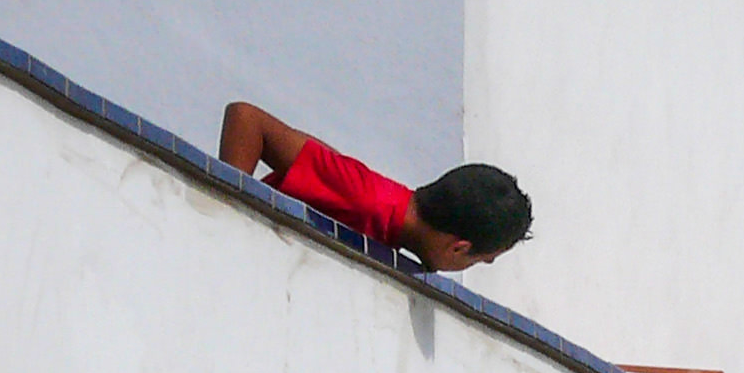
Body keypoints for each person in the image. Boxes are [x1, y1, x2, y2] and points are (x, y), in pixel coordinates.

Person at [216, 102, 531, 271]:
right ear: (458, 248)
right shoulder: (366, 198)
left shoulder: (385, 222)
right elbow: (247, 119)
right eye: (479, 260)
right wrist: (231, 217)